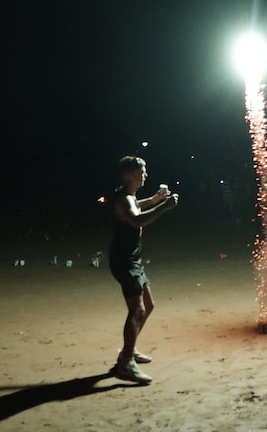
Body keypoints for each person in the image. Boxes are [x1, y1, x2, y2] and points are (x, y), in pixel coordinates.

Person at [109, 156, 178, 384]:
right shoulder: (123, 198)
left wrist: (154, 199)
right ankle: (126, 363)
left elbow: (137, 206)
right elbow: (137, 220)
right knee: (137, 310)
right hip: (125, 262)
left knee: (148, 305)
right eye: (142, 171)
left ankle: (129, 350)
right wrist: (164, 207)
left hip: (132, 260)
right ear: (130, 174)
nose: (146, 175)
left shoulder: (128, 196)